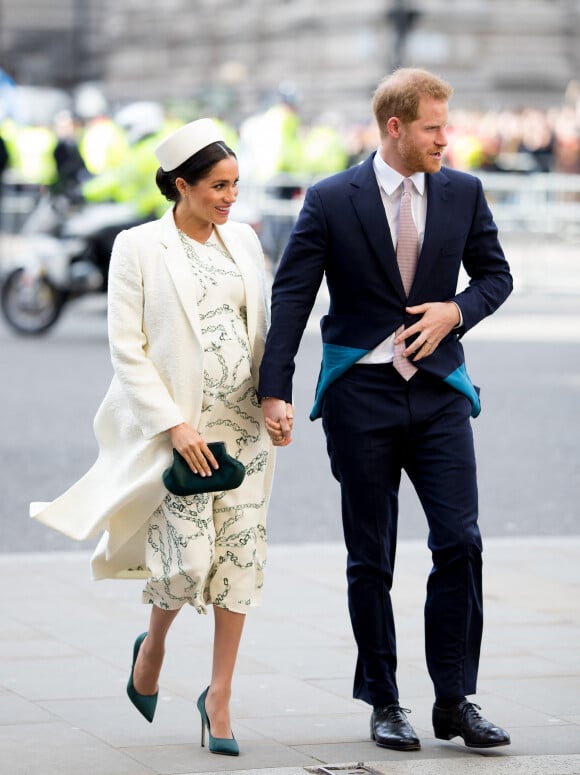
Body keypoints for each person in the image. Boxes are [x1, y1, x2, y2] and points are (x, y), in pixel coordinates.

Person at [259, 68, 513, 752]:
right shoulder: (331, 198)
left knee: (461, 540)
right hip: (359, 396)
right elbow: (292, 297)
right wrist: (273, 388)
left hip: (438, 395)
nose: (446, 138)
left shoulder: (464, 191)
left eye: (446, 124)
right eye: (433, 127)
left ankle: (456, 699)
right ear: (395, 128)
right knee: (370, 555)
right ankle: (385, 699)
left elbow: (497, 275)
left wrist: (457, 310)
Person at [31, 118, 274, 756]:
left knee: (240, 562)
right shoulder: (138, 247)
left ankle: (218, 698)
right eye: (217, 186)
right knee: (190, 561)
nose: (229, 198)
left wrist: (276, 401)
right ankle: (155, 646)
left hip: (244, 427)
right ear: (181, 186)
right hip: (182, 432)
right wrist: (174, 424)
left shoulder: (245, 242)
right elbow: (127, 349)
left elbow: (265, 332)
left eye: (235, 186)